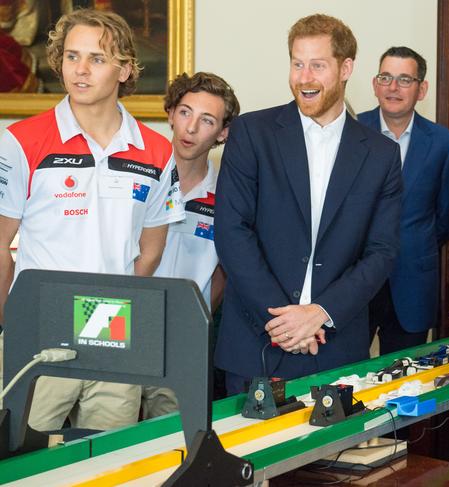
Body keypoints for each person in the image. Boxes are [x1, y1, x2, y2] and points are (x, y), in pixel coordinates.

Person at [0, 9, 184, 432]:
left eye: (97, 59)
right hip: (40, 328)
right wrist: (16, 322)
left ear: (125, 70)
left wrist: (113, 298)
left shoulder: (156, 150)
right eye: (71, 57)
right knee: (20, 460)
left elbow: (151, 250)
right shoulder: (21, 141)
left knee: (108, 461)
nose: (80, 71)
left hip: (115, 330)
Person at [213, 14, 402, 395]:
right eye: (297, 64)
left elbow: (381, 252)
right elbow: (232, 231)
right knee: (249, 455)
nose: (304, 77)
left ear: (346, 67)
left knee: (332, 456)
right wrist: (284, 323)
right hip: (255, 343)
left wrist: (319, 314)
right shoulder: (252, 133)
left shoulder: (382, 155)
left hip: (335, 346)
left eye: (317, 65)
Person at [142, 71, 239, 418]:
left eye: (207, 120)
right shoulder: (135, 178)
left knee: (170, 441)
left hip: (183, 339)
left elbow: (225, 270)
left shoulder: (228, 196)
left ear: (222, 133)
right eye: (185, 112)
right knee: (108, 439)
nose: (191, 128)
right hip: (124, 326)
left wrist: (195, 319)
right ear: (170, 113)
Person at [358, 46, 449, 354]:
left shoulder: (443, 143)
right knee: (341, 382)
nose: (393, 87)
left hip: (413, 285)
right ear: (375, 84)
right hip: (354, 284)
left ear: (421, 89)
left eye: (405, 79)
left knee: (404, 381)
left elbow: (446, 218)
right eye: (386, 77)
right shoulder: (351, 132)